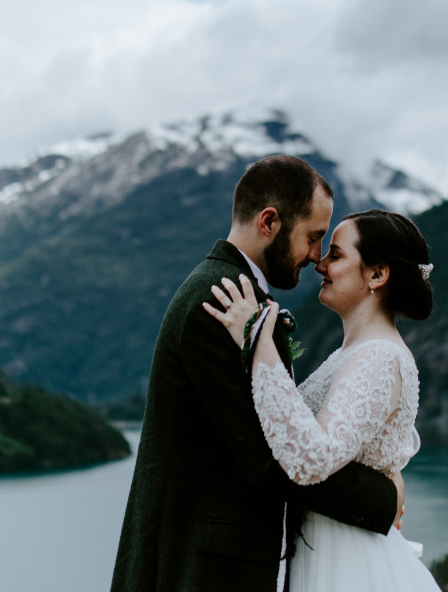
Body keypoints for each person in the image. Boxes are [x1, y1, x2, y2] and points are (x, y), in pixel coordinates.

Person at [111, 155, 401, 592]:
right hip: (193, 570)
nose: (316, 258)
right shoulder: (220, 301)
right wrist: (383, 497)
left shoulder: (234, 293)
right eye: (313, 238)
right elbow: (271, 459)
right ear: (269, 221)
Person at [204, 208, 440, 592]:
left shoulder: (379, 356)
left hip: (349, 564)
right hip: (327, 548)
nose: (320, 263)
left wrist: (256, 339)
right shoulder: (355, 353)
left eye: (336, 254)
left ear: (377, 274)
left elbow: (311, 458)